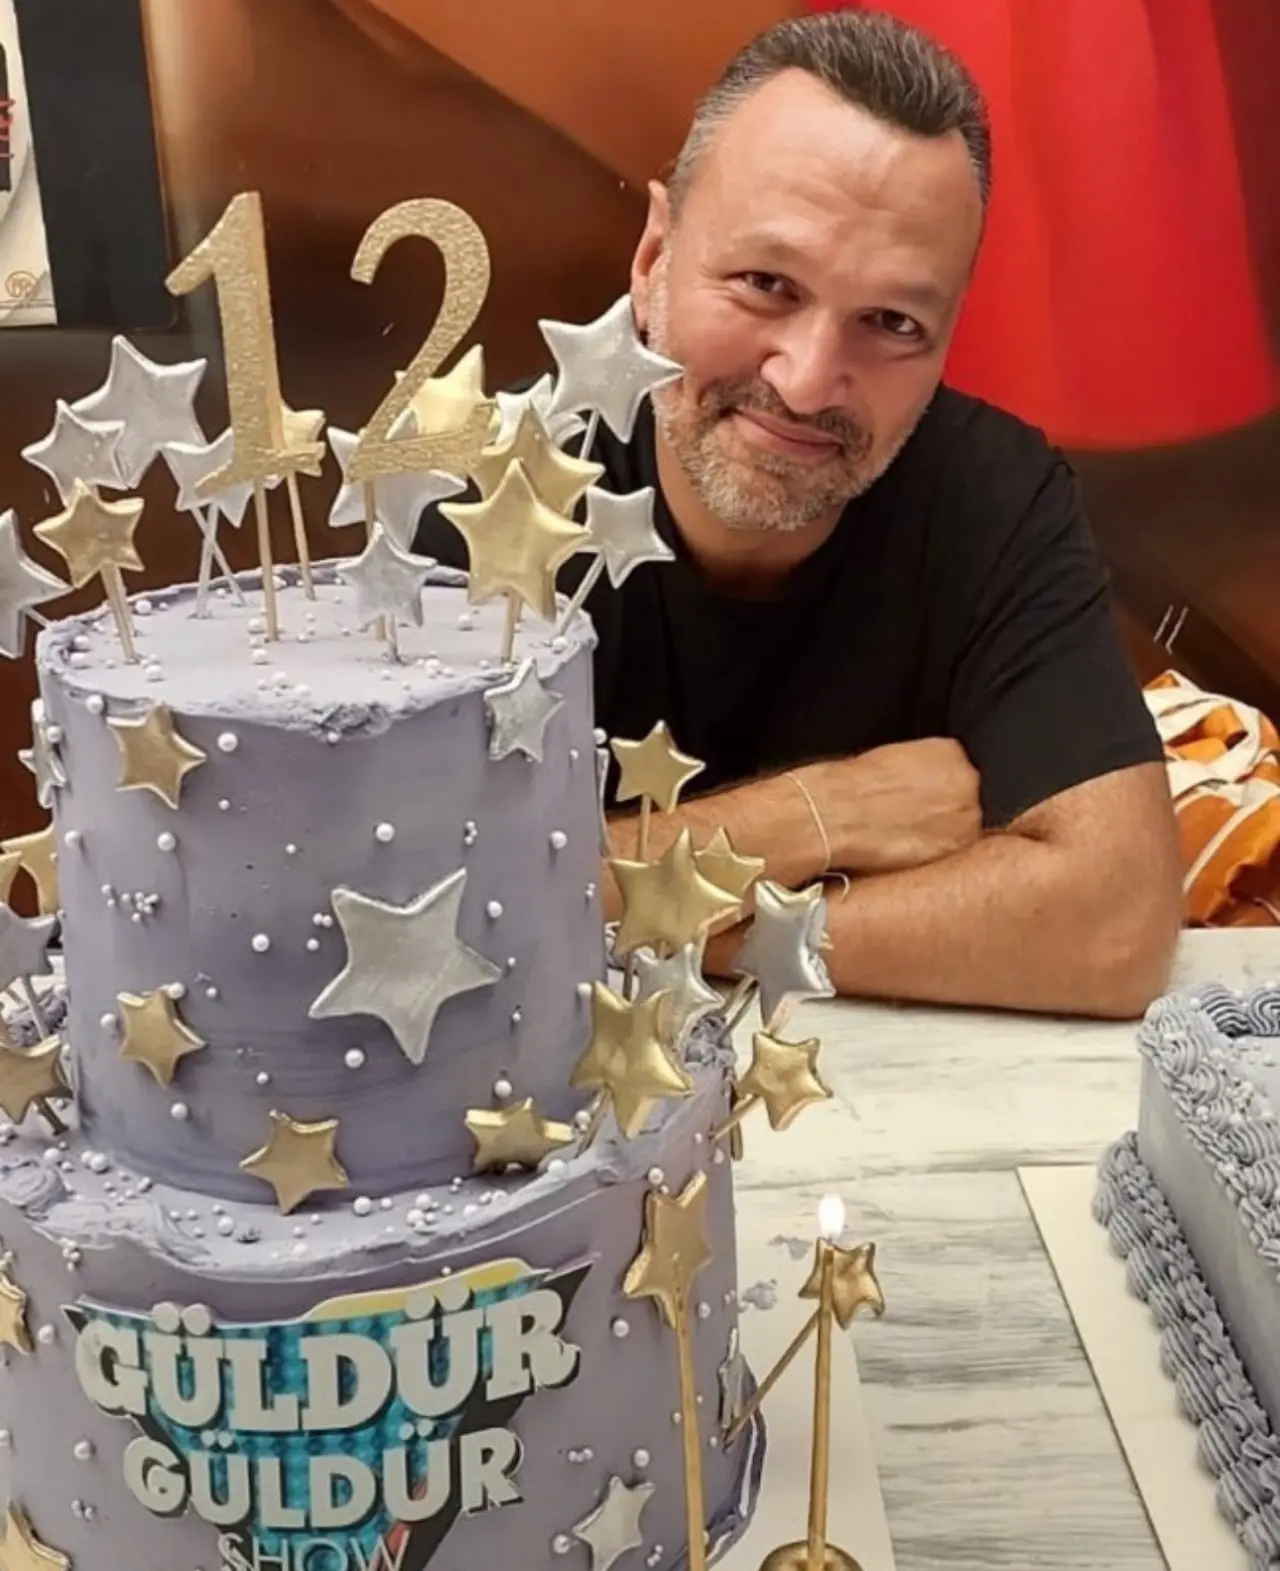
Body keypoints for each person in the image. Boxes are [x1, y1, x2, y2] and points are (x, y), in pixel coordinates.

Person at [414, 9, 1184, 1020]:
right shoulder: (485, 485)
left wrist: (651, 908)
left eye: (892, 323)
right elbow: (417, 911)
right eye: (765, 284)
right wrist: (826, 812)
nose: (809, 380)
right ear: (653, 259)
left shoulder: (994, 491)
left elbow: (1115, 922)